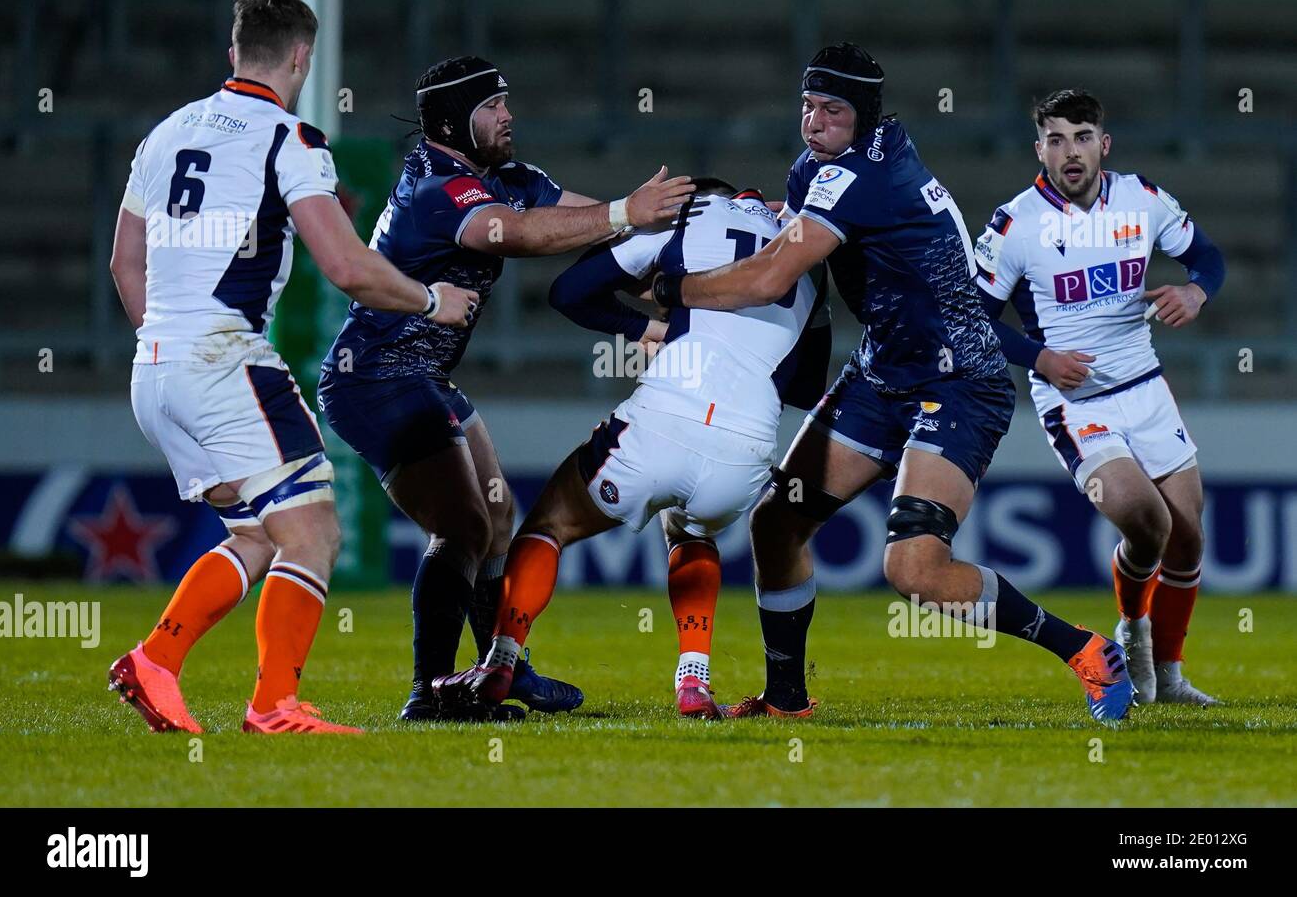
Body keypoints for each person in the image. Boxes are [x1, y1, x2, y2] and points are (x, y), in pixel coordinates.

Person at [649, 44, 1136, 724]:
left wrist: (679, 295)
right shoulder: (819, 170)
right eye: (808, 106)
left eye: (833, 110)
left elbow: (768, 278)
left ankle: (1084, 649)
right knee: (776, 523)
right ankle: (787, 700)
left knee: (915, 571)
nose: (815, 122)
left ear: (864, 116)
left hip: (958, 379)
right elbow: (796, 275)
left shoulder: (862, 176)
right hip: (881, 374)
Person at [107, 0, 477, 735]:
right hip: (225, 358)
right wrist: (430, 300)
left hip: (154, 365)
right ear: (303, 56)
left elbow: (124, 263)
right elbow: (345, 266)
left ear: (234, 50)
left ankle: (155, 661)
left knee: (256, 533)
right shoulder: (291, 138)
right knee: (314, 533)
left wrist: (166, 342)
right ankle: (275, 704)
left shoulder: (164, 134)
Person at [316, 55, 696, 720]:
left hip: (424, 376)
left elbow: (590, 234)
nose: (507, 115)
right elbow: (517, 234)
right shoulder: (436, 186)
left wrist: (678, 267)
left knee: (494, 520)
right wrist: (621, 212)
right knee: (461, 524)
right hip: (375, 377)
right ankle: (431, 695)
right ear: (451, 121)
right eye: (492, 106)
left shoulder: (507, 177)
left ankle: (503, 672)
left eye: (505, 102)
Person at [431, 179, 831, 719]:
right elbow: (806, 389)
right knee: (690, 529)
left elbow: (570, 293)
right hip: (747, 446)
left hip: (665, 417)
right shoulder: (806, 246)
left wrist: (651, 325)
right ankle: (694, 679)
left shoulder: (679, 220)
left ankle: (502, 659)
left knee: (549, 525)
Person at [976, 88, 1225, 706]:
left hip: (1145, 386)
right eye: (1055, 139)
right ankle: (1132, 630)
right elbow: (972, 319)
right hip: (1076, 403)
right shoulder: (1016, 224)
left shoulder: (1142, 198)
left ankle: (1167, 677)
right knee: (1148, 523)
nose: (1070, 152)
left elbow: (1208, 258)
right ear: (1040, 148)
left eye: (1082, 137)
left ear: (1103, 144)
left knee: (1188, 534)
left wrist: (1196, 292)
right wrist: (1040, 358)